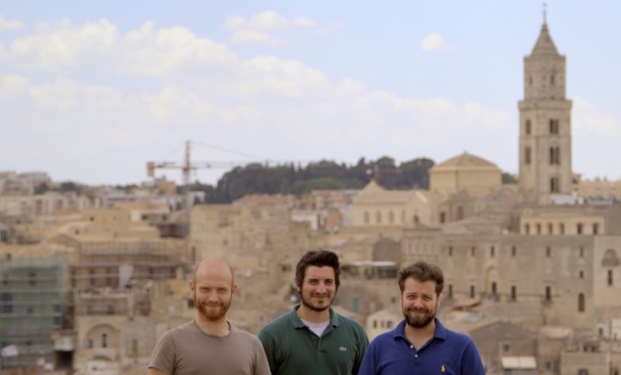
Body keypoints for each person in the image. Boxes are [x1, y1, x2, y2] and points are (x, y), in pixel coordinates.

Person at [358, 261, 485, 375]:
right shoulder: (379, 347)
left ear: (438, 300)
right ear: (401, 299)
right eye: (411, 296)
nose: (418, 304)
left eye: (426, 297)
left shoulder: (463, 348)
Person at [148, 258, 270, 375]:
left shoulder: (252, 346)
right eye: (205, 289)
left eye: (221, 290)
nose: (213, 298)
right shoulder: (171, 343)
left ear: (233, 291)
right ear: (192, 288)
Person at [258, 249, 369, 375]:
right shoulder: (271, 336)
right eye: (313, 282)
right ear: (298, 285)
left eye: (328, 282)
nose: (321, 290)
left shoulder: (356, 334)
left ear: (336, 285)